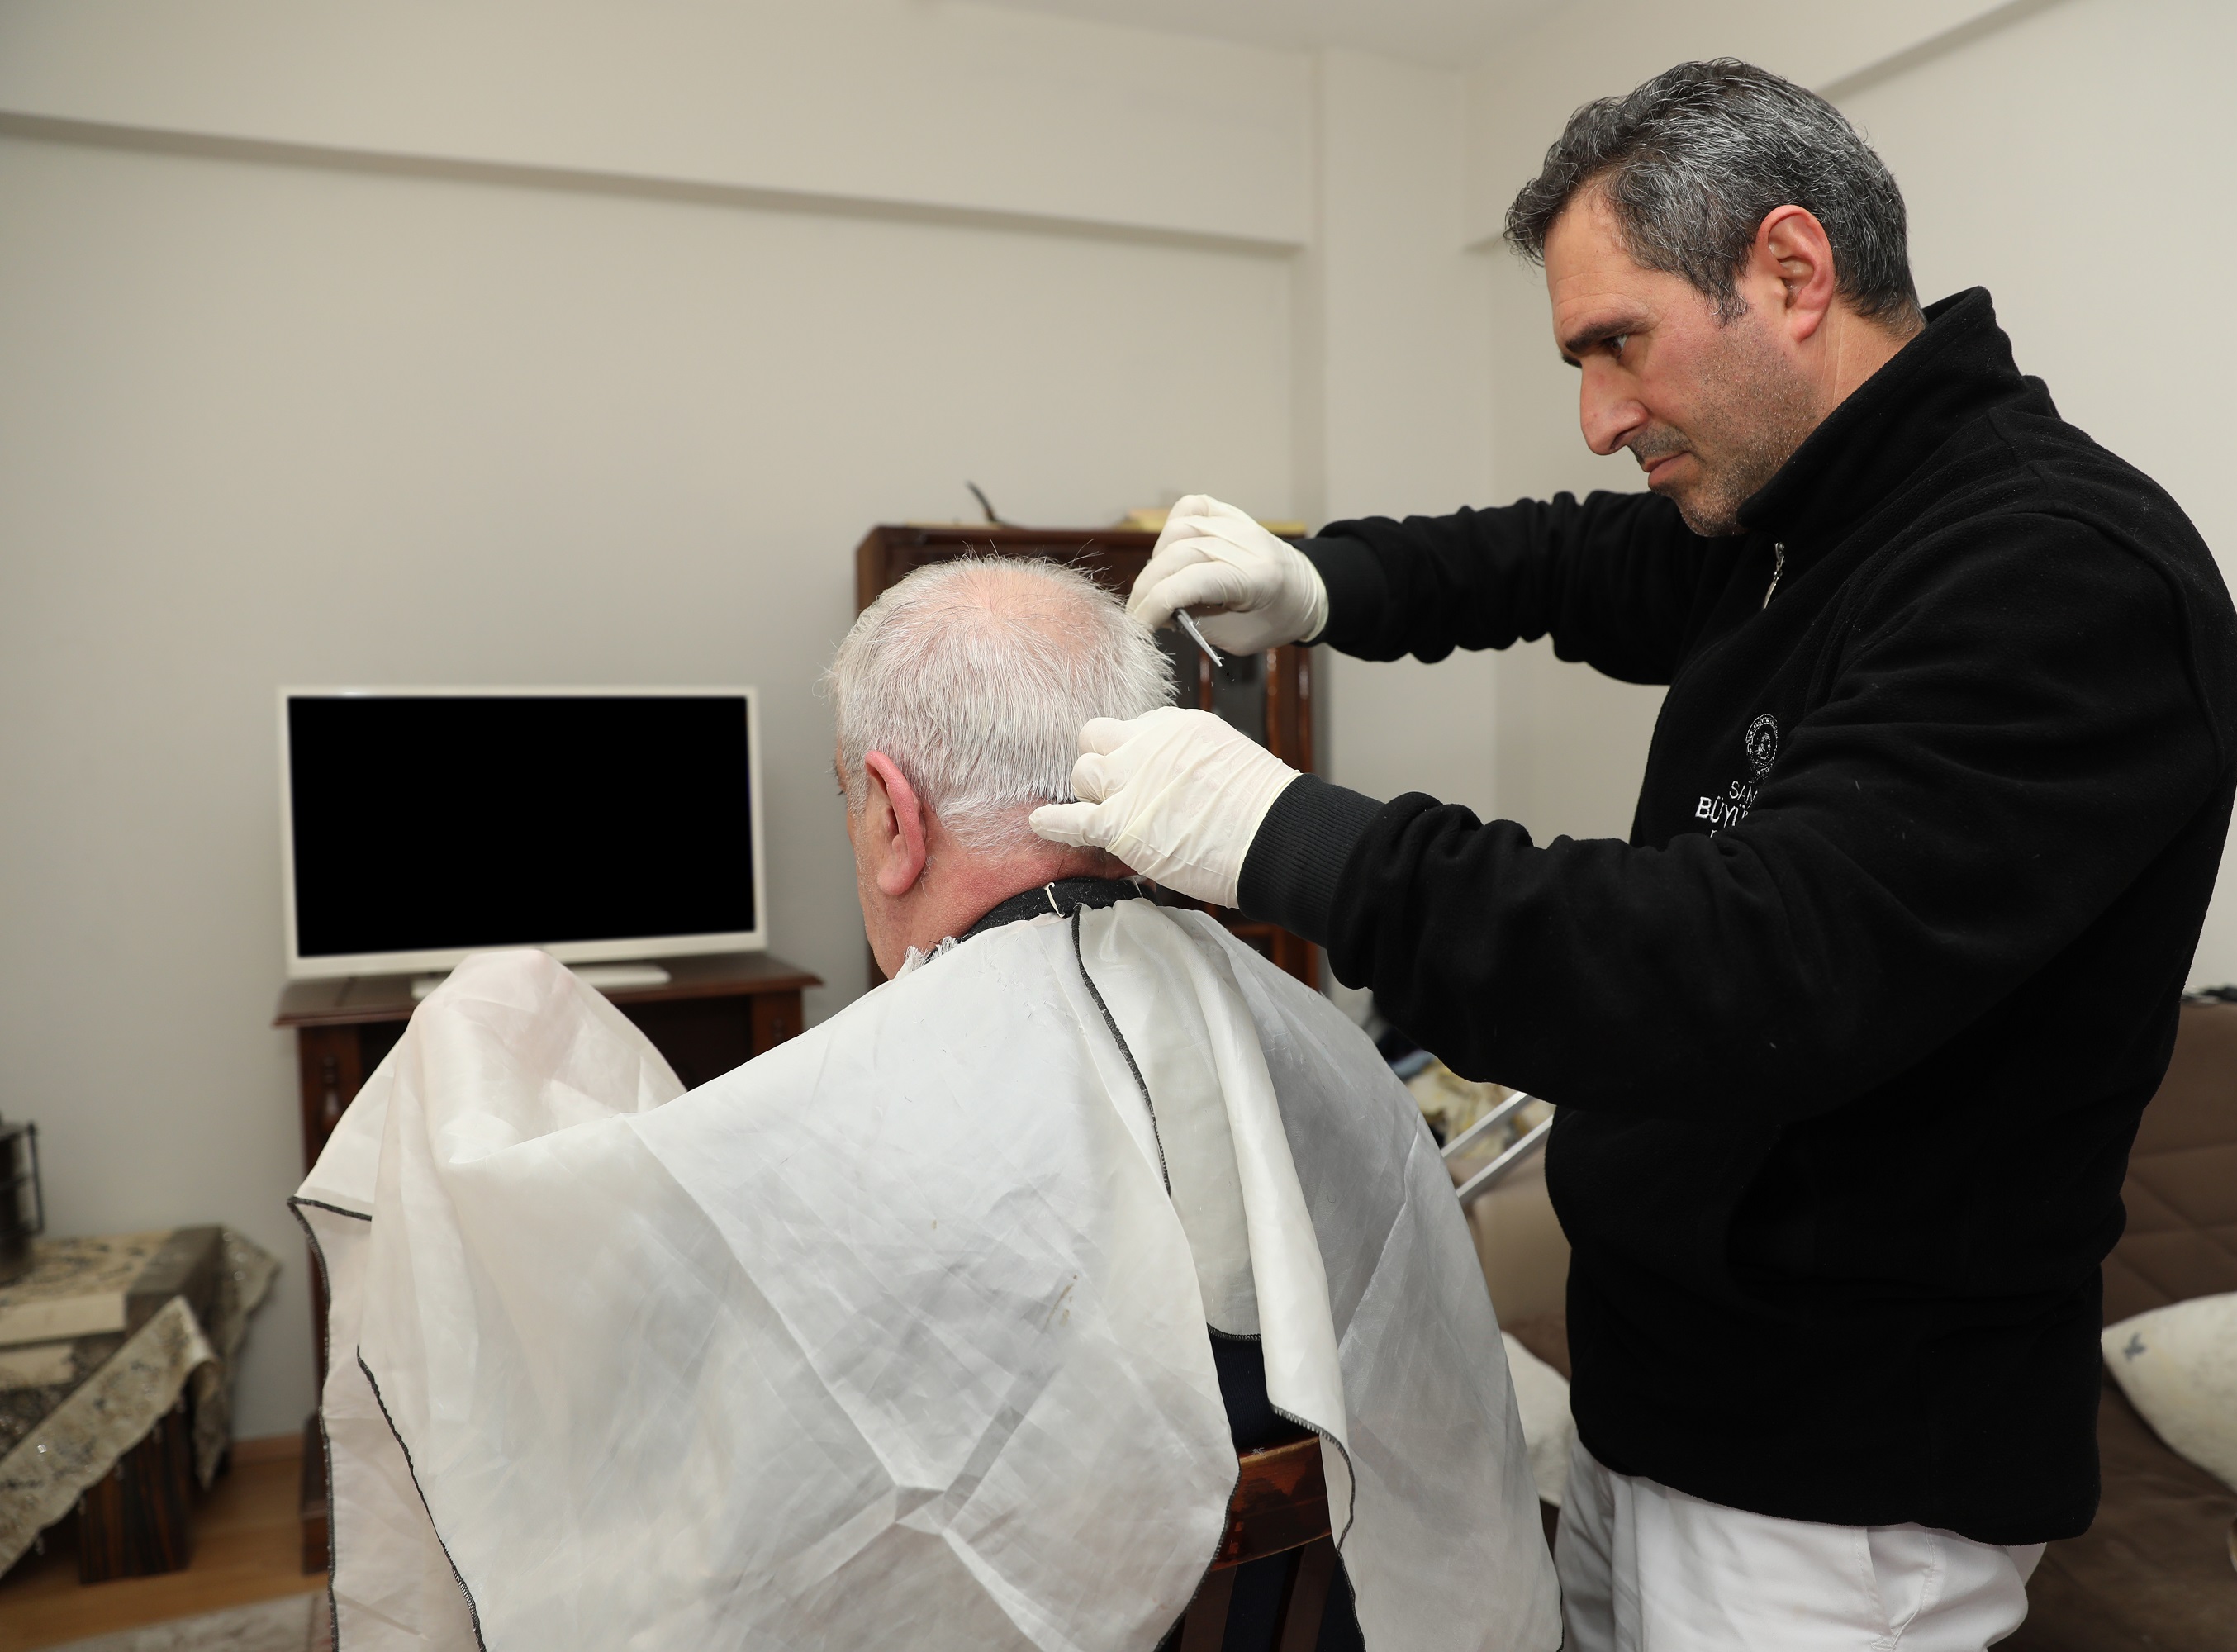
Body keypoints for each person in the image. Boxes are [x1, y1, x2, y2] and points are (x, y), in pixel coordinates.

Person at [1031, 60, 2237, 1652]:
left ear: (1793, 272)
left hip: (1836, 1481)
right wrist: (1326, 580)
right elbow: (1568, 558)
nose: (1601, 417)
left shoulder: (2055, 575)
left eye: (1620, 344)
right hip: (1662, 1392)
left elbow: (1742, 967)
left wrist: (1290, 837)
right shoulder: (1804, 508)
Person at [294, 556, 1557, 1652]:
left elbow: (660, 1477)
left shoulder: (836, 1129)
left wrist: (476, 1035)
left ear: (896, 815)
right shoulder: (1318, 1043)